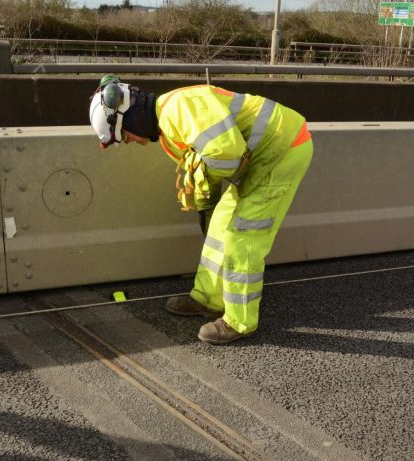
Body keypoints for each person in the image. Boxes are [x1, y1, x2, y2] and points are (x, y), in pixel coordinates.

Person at [89, 75, 312, 345]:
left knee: (243, 238)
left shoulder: (178, 109)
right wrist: (206, 201)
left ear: (131, 119)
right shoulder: (167, 128)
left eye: (125, 135)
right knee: (219, 227)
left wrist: (208, 196)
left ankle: (240, 321)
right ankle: (208, 298)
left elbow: (227, 155)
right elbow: (206, 163)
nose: (131, 141)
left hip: (282, 149)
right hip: (259, 158)